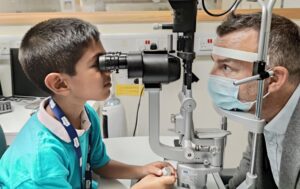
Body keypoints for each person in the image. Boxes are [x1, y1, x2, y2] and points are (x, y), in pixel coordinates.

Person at [0, 18, 176, 189]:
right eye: (97, 64)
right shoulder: (41, 161)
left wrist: (141, 170)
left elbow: (100, 164)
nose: (108, 71)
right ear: (60, 83)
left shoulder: (85, 115)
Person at [208, 12, 300, 189]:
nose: (212, 75)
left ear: (274, 79)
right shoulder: (263, 112)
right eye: (216, 63)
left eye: (226, 67)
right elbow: (245, 177)